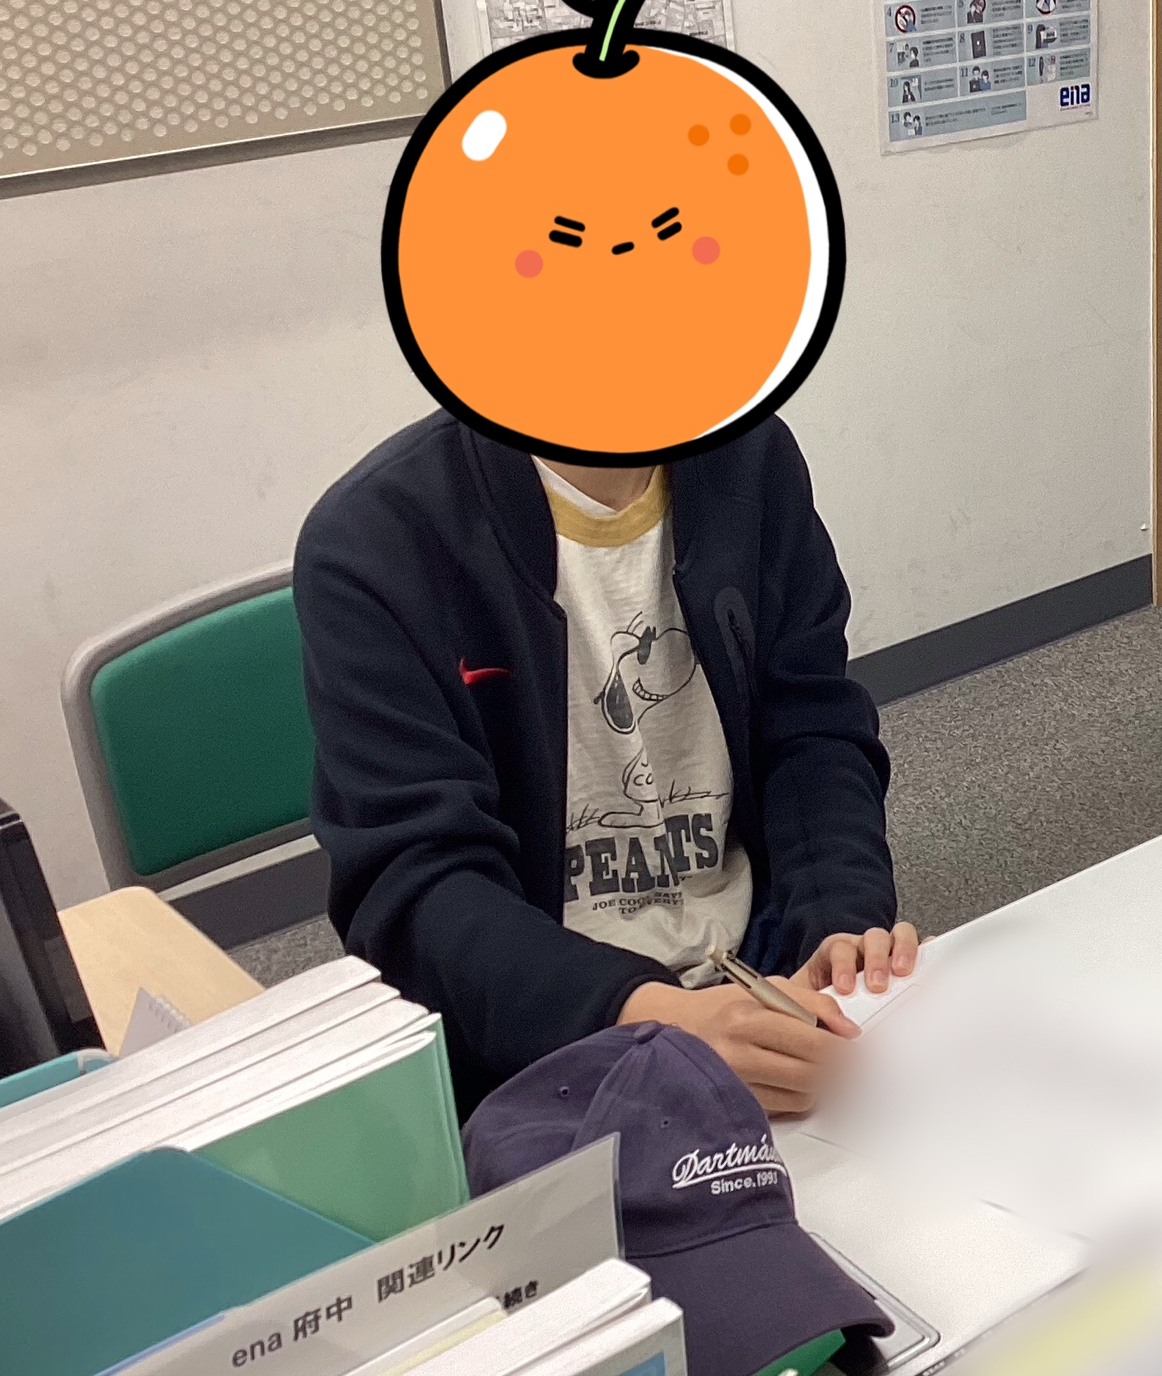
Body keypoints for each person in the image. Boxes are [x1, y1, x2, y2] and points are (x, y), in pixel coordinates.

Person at [295, 414, 916, 1117]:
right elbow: (418, 891)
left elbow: (813, 732)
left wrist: (838, 924)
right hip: (546, 1028)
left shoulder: (752, 457)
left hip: (765, 971)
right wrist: (658, 1018)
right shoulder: (376, 537)